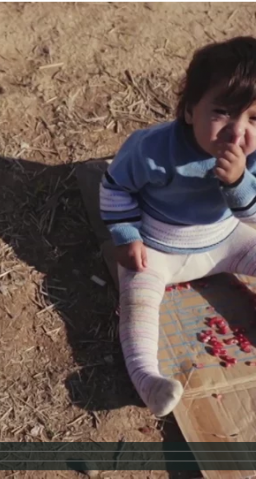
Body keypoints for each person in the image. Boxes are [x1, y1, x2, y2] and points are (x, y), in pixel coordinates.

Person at [100, 36, 256, 417]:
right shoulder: (153, 148)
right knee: (137, 303)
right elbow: (115, 188)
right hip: (157, 248)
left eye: (254, 118)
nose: (237, 133)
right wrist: (126, 235)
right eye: (222, 112)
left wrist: (238, 183)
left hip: (227, 240)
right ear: (189, 110)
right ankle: (148, 379)